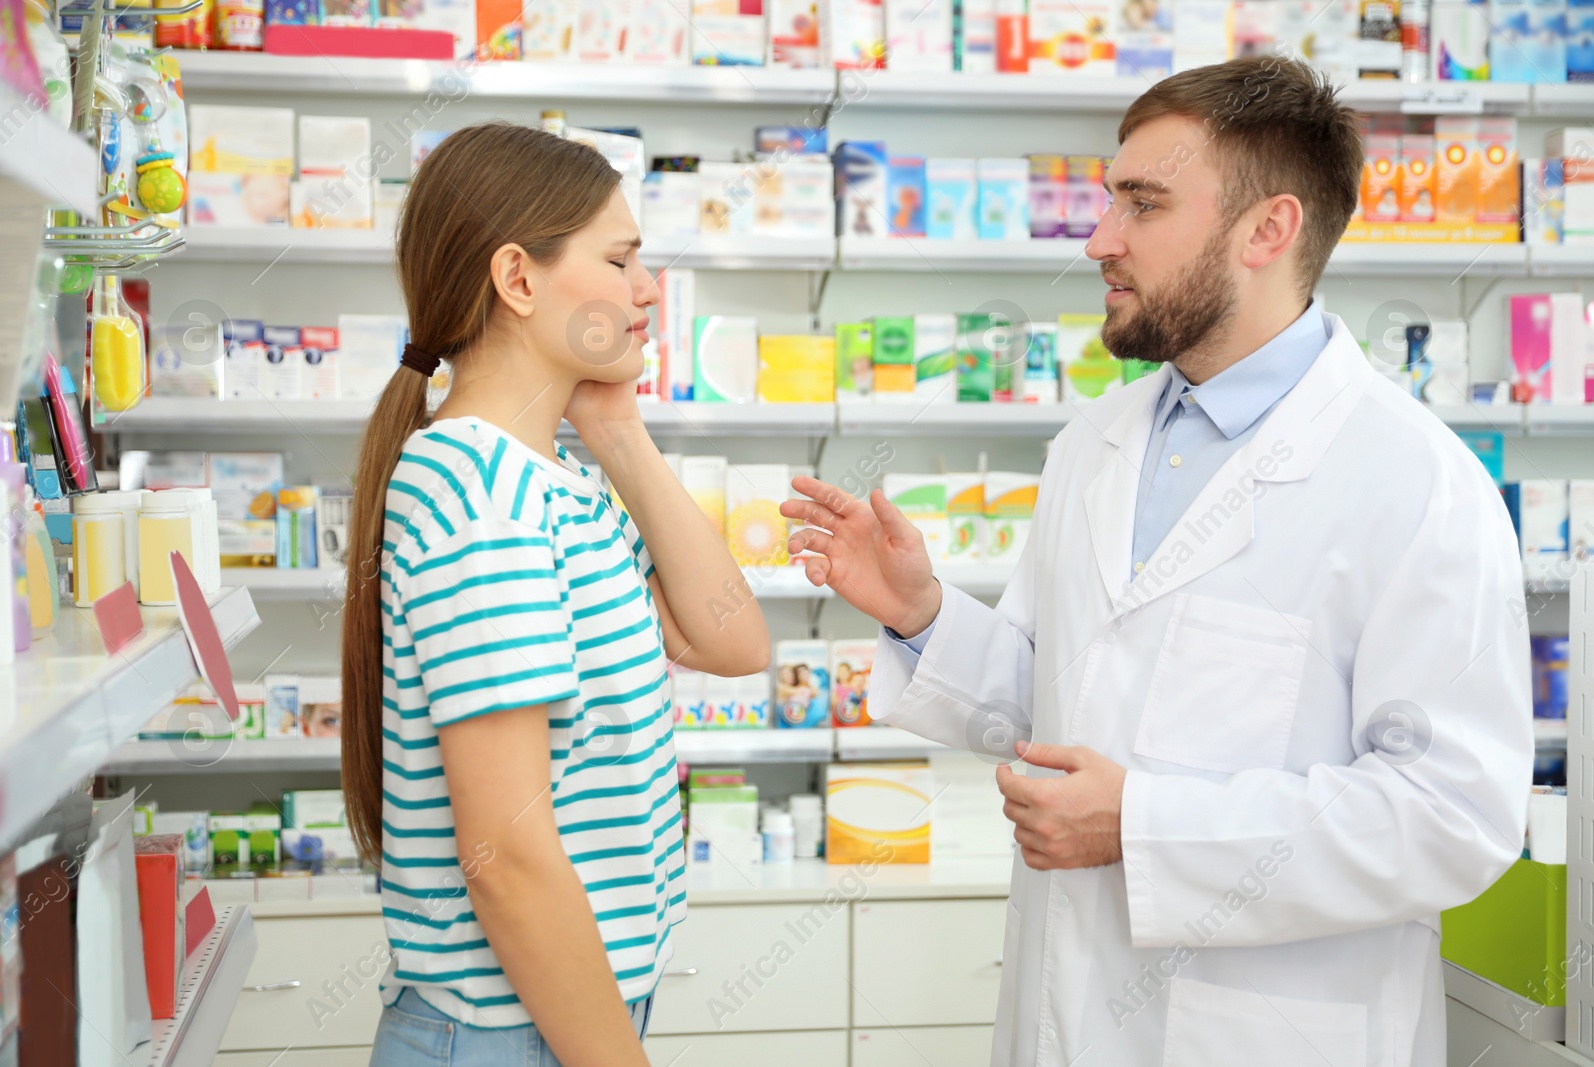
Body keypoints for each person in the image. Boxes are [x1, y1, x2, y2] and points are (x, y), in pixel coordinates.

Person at [781, 56, 1532, 1066]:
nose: (1097, 238)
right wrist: (922, 613)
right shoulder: (1094, 443)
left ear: (1267, 230)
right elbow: (1060, 717)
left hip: (1269, 1032)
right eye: (1106, 201)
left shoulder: (1415, 485)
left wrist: (1143, 821)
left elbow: (1452, 814)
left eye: (1141, 204)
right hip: (1064, 1014)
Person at [339, 122, 770, 1067]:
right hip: (507, 1033)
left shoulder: (557, 483)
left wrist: (618, 433)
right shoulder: (481, 498)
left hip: (555, 1017)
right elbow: (510, 862)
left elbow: (735, 643)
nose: (649, 290)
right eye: (621, 261)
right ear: (518, 280)